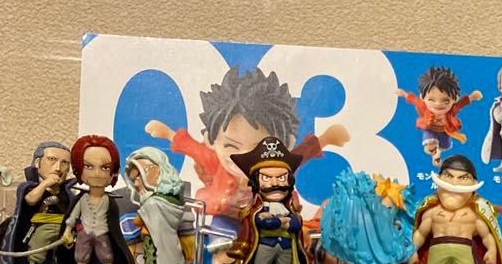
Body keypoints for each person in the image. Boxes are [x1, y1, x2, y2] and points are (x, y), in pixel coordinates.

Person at [145, 66, 349, 220]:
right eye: (231, 146)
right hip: (225, 213)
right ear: (211, 140)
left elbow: (301, 154)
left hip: (269, 219)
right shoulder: (216, 162)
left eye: (260, 148)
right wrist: (168, 133)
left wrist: (326, 138)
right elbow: (194, 148)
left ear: (285, 143)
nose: (245, 156)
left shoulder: (278, 167)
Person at [409, 155, 502, 264]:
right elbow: (421, 233)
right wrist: (412, 251)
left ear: (473, 184)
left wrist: (492, 251)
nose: (454, 183)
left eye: (463, 178)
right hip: (438, 247)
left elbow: (486, 235)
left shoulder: (475, 213)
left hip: (464, 248)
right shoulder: (432, 211)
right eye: (448, 176)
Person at [227, 137, 311, 264]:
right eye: (266, 178)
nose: (274, 183)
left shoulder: (289, 208)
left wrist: (285, 222)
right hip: (266, 244)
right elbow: (263, 222)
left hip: (285, 245)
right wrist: (280, 221)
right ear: (256, 182)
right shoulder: (257, 209)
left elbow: (295, 225)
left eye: (281, 178)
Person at [61, 134, 141, 264]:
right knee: (81, 254)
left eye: (105, 167)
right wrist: (67, 231)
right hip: (84, 232)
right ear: (78, 169)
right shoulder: (82, 199)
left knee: (107, 255)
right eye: (88, 166)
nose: (97, 173)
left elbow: (115, 226)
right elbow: (73, 216)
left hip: (102, 232)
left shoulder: (109, 200)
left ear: (113, 172)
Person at [2, 141, 77, 264]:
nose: (58, 167)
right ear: (37, 163)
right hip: (43, 225)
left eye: (65, 162)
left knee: (67, 249)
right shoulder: (31, 187)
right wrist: (45, 184)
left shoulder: (68, 191)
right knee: (37, 245)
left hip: (64, 226)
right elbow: (30, 200)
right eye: (52, 159)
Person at [124, 147, 188, 264]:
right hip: (150, 237)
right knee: (152, 261)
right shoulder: (152, 201)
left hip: (162, 240)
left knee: (165, 259)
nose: (136, 184)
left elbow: (140, 220)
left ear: (157, 170)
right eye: (133, 180)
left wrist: (142, 216)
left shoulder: (157, 201)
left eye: (139, 176)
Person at [397, 66, 481, 166]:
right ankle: (435, 154)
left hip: (444, 131)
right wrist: (404, 94)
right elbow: (414, 100)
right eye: (431, 100)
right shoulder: (424, 107)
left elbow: (461, 104)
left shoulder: (452, 110)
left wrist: (472, 97)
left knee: (445, 146)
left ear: (455, 99)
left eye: (445, 101)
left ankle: (437, 154)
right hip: (429, 129)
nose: (438, 104)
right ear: (423, 97)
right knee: (429, 146)